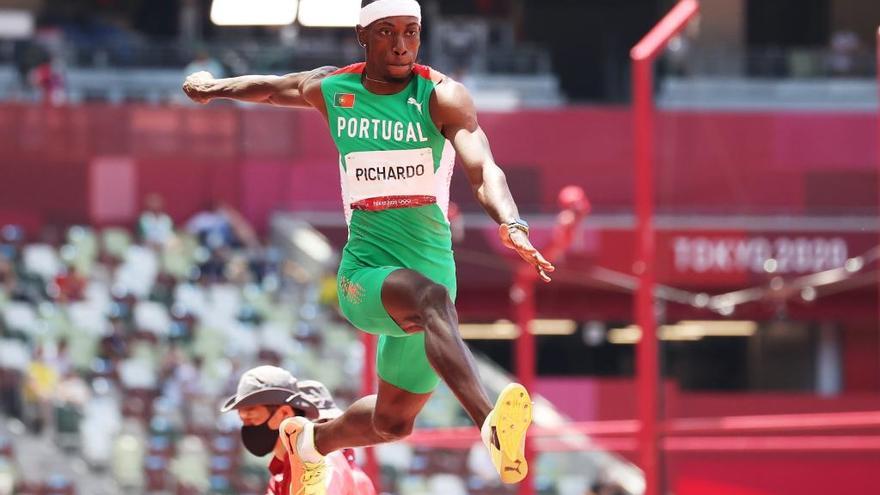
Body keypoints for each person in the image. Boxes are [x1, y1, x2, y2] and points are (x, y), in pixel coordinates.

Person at [184, 0, 554, 491]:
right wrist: (214, 89)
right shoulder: (335, 88)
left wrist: (511, 221)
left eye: (411, 32)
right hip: (366, 276)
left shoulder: (442, 96)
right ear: (363, 35)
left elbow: (482, 167)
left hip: (433, 277)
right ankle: (491, 424)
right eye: (387, 32)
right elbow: (274, 89)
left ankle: (310, 442)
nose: (401, 45)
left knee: (392, 422)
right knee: (428, 300)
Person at [221, 366, 376, 495]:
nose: (318, 430)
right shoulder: (280, 476)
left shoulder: (326, 462)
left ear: (285, 413)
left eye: (323, 426)